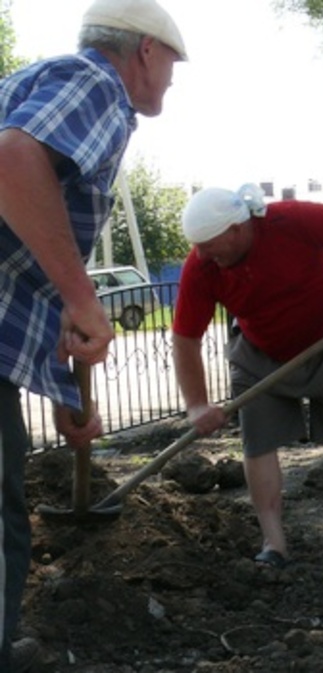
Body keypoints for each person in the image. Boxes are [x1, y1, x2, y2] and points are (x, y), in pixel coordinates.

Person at [0, 1, 185, 669]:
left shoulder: (41, 81)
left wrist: (60, 389)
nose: (171, 80)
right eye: (171, 64)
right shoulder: (96, 86)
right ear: (143, 52)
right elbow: (11, 160)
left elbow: (20, 254)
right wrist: (84, 297)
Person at [172, 184, 323, 568]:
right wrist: (196, 404)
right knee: (258, 444)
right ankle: (273, 544)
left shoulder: (290, 220)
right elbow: (185, 337)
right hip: (260, 356)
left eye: (209, 245)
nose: (202, 254)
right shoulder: (203, 265)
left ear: (237, 229)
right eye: (198, 246)